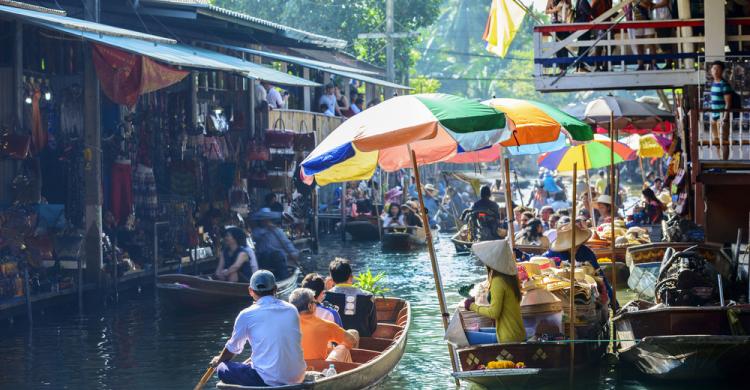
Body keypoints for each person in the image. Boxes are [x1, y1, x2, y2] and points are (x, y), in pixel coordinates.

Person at [210, 270, 305, 387]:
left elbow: (233, 348)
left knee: (222, 368)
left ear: (250, 291)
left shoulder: (246, 314)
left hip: (267, 380)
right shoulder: (292, 309)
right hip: (298, 376)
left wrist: (219, 360)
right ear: (275, 289)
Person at [462, 240, 526, 344]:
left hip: (508, 338)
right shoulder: (511, 278)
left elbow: (494, 313)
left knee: (464, 335)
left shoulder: (498, 281)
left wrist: (471, 306)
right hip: (517, 333)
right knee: (474, 331)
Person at [541, 223, 613, 303]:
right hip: (560, 292)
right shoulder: (551, 255)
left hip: (586, 291)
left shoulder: (586, 252)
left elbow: (600, 275)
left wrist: (614, 304)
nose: (577, 246)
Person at [291, 288, 358, 363]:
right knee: (344, 347)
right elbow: (351, 341)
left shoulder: (285, 325)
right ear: (310, 306)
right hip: (319, 370)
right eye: (315, 303)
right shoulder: (325, 325)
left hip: (292, 369)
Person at [325, 258, 378, 336]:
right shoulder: (368, 296)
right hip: (362, 342)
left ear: (331, 278)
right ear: (351, 276)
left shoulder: (325, 297)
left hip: (335, 343)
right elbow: (373, 327)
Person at [250, 208, 299, 278]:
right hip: (263, 260)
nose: (265, 221)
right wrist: (267, 229)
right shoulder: (257, 231)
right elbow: (256, 236)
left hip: (278, 260)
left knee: (278, 255)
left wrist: (293, 253)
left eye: (267, 219)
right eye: (263, 219)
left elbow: (287, 244)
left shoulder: (278, 231)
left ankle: (284, 277)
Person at [710, 60, 733, 160]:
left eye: (718, 69)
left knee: (724, 141)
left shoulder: (724, 85)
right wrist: (712, 117)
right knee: (716, 141)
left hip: (721, 118)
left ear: (721, 71)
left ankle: (724, 163)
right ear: (711, 70)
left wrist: (724, 119)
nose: (715, 71)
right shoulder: (713, 84)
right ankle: (720, 161)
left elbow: (728, 103)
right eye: (714, 68)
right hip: (714, 118)